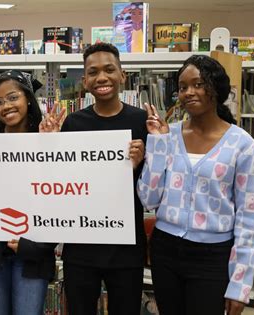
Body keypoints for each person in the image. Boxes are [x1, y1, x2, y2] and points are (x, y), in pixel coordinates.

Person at [137, 55, 254, 315]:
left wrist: (241, 284)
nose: (188, 92)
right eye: (183, 87)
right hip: (165, 251)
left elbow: (249, 219)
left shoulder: (243, 145)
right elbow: (148, 199)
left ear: (215, 88)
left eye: (198, 84)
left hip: (213, 257)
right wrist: (157, 145)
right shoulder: (166, 136)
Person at [0, 70, 65, 315]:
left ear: (28, 98)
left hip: (32, 253)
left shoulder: (47, 140)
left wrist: (52, 149)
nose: (6, 106)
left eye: (13, 97)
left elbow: (61, 200)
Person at [60, 42, 148, 315]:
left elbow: (156, 188)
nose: (101, 77)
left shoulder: (143, 122)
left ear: (122, 75)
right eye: (93, 72)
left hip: (126, 246)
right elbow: (62, 182)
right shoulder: (73, 124)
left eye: (109, 69)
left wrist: (140, 165)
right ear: (85, 80)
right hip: (81, 246)